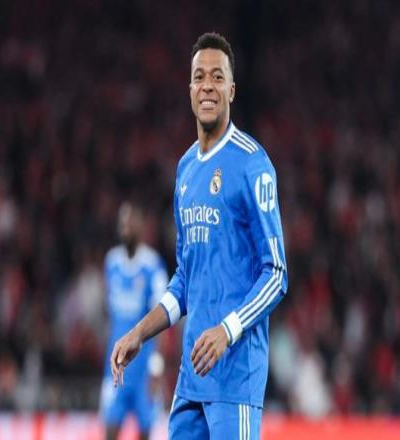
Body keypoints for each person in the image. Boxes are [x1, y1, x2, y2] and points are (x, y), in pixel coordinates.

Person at [111, 32, 288, 439]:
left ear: (231, 90)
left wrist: (227, 330)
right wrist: (139, 333)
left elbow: (277, 273)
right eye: (199, 77)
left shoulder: (252, 164)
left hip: (235, 379)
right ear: (190, 89)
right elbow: (184, 280)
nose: (207, 85)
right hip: (192, 379)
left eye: (217, 77)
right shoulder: (186, 169)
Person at [101, 199, 168, 440]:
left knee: (144, 432)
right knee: (109, 430)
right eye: (122, 222)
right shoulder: (111, 263)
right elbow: (110, 315)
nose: (125, 227)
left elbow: (163, 320)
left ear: (141, 226)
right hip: (115, 367)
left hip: (143, 368)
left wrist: (157, 366)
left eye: (130, 222)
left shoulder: (153, 266)